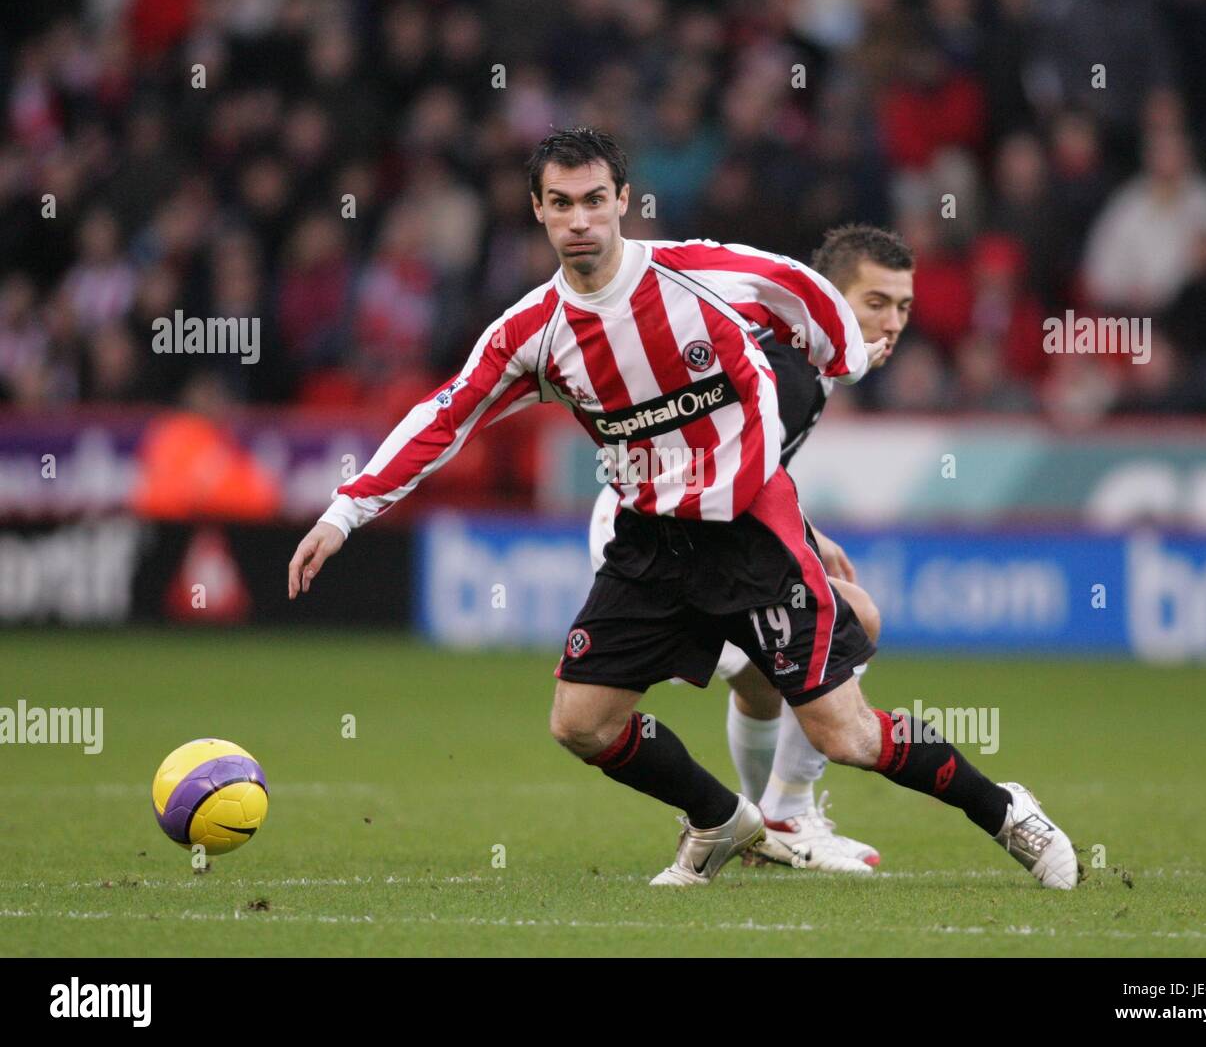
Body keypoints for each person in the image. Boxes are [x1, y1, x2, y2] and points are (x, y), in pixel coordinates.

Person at [288, 127, 1078, 888]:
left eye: (595, 199)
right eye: (561, 203)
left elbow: (803, 291)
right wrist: (344, 512)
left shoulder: (702, 276)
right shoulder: (530, 331)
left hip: (749, 538)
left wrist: (843, 351)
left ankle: (1007, 811)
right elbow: (447, 414)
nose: (580, 220)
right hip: (650, 544)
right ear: (537, 209)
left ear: (623, 199)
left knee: (848, 735)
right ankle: (724, 817)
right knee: (580, 723)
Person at [586, 223, 913, 874]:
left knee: (766, 683)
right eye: (875, 302)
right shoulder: (790, 373)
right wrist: (806, 540)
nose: (893, 320)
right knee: (855, 622)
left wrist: (811, 534)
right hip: (661, 537)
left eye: (903, 306)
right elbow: (725, 473)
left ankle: (767, 827)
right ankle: (784, 815)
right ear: (824, 299)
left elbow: (747, 467)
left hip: (692, 528)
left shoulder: (806, 363)